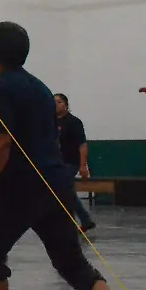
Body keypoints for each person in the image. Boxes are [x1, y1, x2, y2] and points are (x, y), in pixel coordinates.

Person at [0, 21, 146, 290]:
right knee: (71, 261)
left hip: (21, 188)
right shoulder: (40, 88)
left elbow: (0, 143)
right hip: (57, 184)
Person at [54, 93, 96, 232]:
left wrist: (83, 166)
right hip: (55, 162)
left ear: (65, 105)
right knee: (66, 191)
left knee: (64, 190)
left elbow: (82, 144)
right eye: (53, 102)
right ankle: (85, 220)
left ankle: (75, 221)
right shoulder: (51, 121)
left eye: (59, 102)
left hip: (70, 162)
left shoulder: (73, 122)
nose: (55, 104)